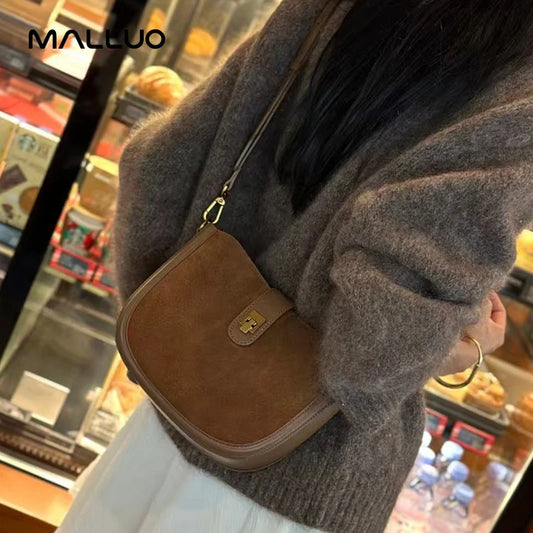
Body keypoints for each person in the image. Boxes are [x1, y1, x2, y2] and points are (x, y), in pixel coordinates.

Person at [59, 0, 533, 532]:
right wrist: (454, 349)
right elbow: (371, 357)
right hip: (292, 489)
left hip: (154, 445)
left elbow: (157, 164)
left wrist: (176, 333)